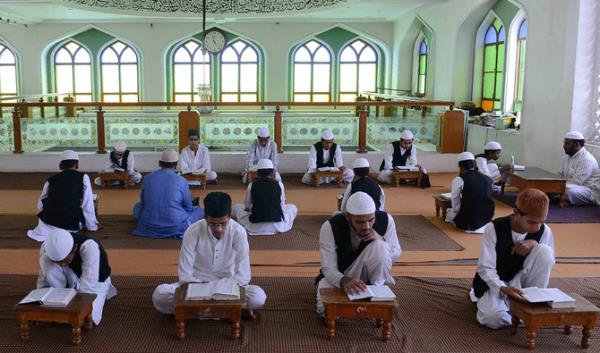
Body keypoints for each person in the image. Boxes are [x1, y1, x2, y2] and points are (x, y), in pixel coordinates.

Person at [152, 192, 266, 316]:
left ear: (229, 217)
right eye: (212, 224)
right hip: (196, 284)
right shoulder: (192, 231)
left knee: (258, 297)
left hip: (227, 284)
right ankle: (226, 311)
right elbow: (185, 274)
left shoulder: (238, 232)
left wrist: (217, 287)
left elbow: (243, 276)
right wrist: (202, 287)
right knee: (160, 295)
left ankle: (198, 312)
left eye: (223, 224)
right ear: (205, 217)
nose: (218, 229)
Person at [472, 189, 555, 329]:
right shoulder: (494, 228)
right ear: (516, 212)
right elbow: (485, 268)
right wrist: (503, 288)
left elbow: (547, 262)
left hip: (522, 283)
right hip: (496, 284)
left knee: (545, 251)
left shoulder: (544, 230)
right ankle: (516, 314)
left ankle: (533, 300)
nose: (536, 228)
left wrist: (535, 244)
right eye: (531, 222)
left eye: (541, 222)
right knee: (492, 319)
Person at [315, 192, 401, 315]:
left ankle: (376, 289)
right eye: (360, 222)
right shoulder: (330, 226)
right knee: (325, 310)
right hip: (342, 274)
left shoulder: (386, 220)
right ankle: (363, 292)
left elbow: (395, 253)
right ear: (348, 216)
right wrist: (344, 281)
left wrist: (381, 239)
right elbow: (328, 267)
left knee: (380, 246)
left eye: (371, 220)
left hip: (371, 272)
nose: (367, 226)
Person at [37, 229, 117, 325]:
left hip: (95, 282)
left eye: (65, 261)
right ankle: (60, 294)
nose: (62, 264)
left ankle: (70, 298)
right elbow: (43, 278)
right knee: (46, 262)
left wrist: (73, 309)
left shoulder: (90, 247)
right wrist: (40, 300)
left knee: (87, 319)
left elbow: (87, 288)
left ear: (74, 248)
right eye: (57, 262)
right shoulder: (46, 247)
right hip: (71, 275)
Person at [27, 150, 99, 242]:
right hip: (71, 225)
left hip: (47, 224)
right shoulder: (83, 177)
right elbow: (87, 204)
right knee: (95, 199)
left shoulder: (51, 180)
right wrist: (92, 227)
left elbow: (40, 204)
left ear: (60, 166)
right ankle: (92, 223)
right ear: (77, 165)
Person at [132, 150, 204, 239]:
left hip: (148, 225)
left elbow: (143, 203)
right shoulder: (181, 180)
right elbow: (188, 207)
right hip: (175, 226)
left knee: (137, 206)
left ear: (159, 163)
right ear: (176, 164)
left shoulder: (147, 178)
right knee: (200, 210)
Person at [232, 159, 298, 235]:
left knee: (237, 207)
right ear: (272, 172)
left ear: (257, 173)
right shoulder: (279, 185)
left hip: (255, 225)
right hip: (277, 225)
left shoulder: (251, 185)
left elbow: (247, 207)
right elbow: (282, 207)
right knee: (292, 208)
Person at [445, 152, 495, 233]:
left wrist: (456, 211)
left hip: (469, 223)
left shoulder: (459, 179)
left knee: (449, 214)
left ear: (460, 166)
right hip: (486, 219)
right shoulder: (487, 178)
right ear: (475, 164)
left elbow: (455, 200)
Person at [558, 131, 599, 205]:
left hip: (588, 190)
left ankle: (560, 197)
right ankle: (562, 198)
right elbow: (560, 175)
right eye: (564, 143)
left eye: (567, 144)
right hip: (573, 186)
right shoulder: (566, 157)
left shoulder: (586, 159)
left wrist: (555, 187)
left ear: (577, 144)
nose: (563, 146)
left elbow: (577, 182)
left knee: (567, 190)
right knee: (552, 185)